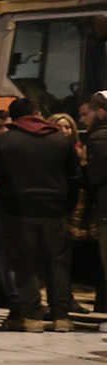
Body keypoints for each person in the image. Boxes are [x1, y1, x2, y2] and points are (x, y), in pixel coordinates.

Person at [0, 98, 82, 332]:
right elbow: (75, 178)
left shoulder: (4, 141)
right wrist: (68, 206)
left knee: (24, 263)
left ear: (12, 118)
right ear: (37, 113)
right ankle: (61, 317)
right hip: (55, 210)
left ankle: (32, 316)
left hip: (17, 211)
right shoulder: (60, 140)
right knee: (58, 263)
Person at [81, 92, 107, 316]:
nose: (83, 120)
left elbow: (97, 177)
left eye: (86, 113)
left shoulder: (98, 138)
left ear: (101, 113)